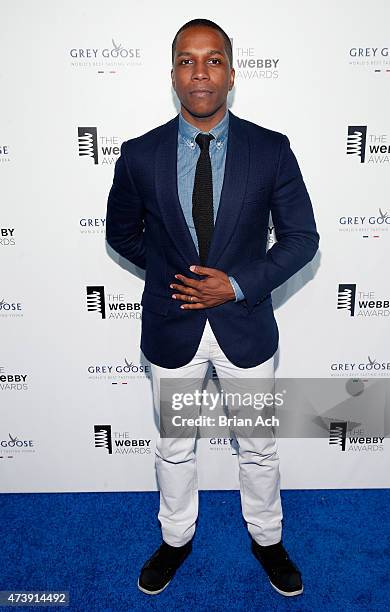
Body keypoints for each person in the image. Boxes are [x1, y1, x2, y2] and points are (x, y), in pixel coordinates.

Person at [105, 18, 319, 597]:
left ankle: (268, 539)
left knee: (257, 446)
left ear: (231, 70)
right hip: (173, 325)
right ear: (173, 72)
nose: (200, 72)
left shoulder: (270, 149)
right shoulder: (139, 154)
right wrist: (181, 279)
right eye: (186, 60)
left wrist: (235, 286)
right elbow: (121, 234)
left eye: (213, 59)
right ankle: (175, 540)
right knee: (174, 448)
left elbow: (302, 239)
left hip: (244, 327)